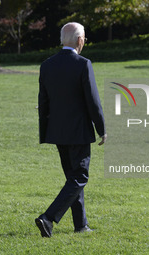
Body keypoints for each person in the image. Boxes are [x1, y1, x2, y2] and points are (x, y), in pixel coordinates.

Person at [35, 22, 107, 238]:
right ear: (80, 40)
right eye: (84, 38)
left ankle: (81, 225)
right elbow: (93, 102)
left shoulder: (47, 65)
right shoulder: (83, 64)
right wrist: (102, 129)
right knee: (80, 177)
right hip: (79, 132)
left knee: (72, 179)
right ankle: (48, 218)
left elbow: (43, 101)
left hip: (57, 132)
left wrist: (46, 130)